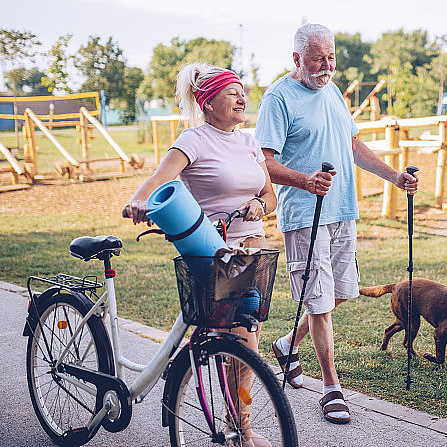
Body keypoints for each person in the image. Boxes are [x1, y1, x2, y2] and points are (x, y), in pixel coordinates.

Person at [255, 23, 418, 424]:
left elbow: (353, 145)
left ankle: (288, 345)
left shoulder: (332, 92)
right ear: (297, 59)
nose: (326, 66)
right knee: (320, 302)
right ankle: (331, 387)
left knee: (341, 292)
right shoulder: (278, 98)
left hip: (343, 210)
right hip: (305, 214)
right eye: (317, 58)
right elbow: (264, 163)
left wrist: (394, 176)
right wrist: (306, 181)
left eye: (330, 57)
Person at [124, 62, 276, 447]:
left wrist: (260, 204)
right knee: (243, 339)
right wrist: (138, 201)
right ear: (207, 102)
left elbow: (270, 195)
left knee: (239, 335)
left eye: (243, 91)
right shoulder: (194, 140)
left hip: (252, 251)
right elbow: (161, 178)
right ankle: (240, 428)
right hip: (214, 252)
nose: (242, 97)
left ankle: (232, 422)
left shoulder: (249, 142)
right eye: (232, 92)